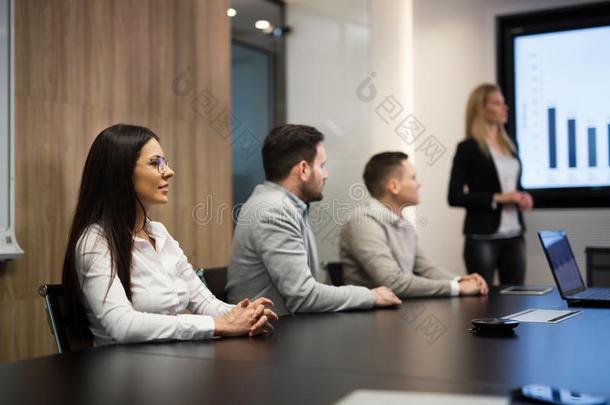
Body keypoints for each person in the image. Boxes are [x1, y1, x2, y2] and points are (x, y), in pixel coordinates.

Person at [62, 124, 277, 346]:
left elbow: (204, 302)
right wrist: (217, 324)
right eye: (155, 163)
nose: (169, 171)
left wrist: (245, 314)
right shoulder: (95, 241)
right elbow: (121, 325)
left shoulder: (158, 232)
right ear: (120, 172)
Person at [226, 124, 402, 316]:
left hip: (284, 330)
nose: (326, 175)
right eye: (322, 166)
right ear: (303, 169)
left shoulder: (286, 204)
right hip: (270, 339)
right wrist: (371, 296)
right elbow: (304, 297)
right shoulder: (275, 210)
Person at [340, 152, 488, 298]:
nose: (419, 184)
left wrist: (461, 280)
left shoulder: (403, 223)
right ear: (394, 186)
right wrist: (457, 287)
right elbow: (394, 283)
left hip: (397, 312)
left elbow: (427, 269)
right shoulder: (362, 221)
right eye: (413, 178)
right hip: (370, 318)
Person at [448, 83, 534, 286]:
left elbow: (513, 185)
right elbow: (454, 196)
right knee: (483, 301)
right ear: (480, 108)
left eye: (504, 103)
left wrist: (523, 196)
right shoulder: (467, 148)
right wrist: (500, 198)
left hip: (514, 234)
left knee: (515, 299)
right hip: (482, 236)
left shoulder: (510, 145)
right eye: (497, 103)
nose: (505, 108)